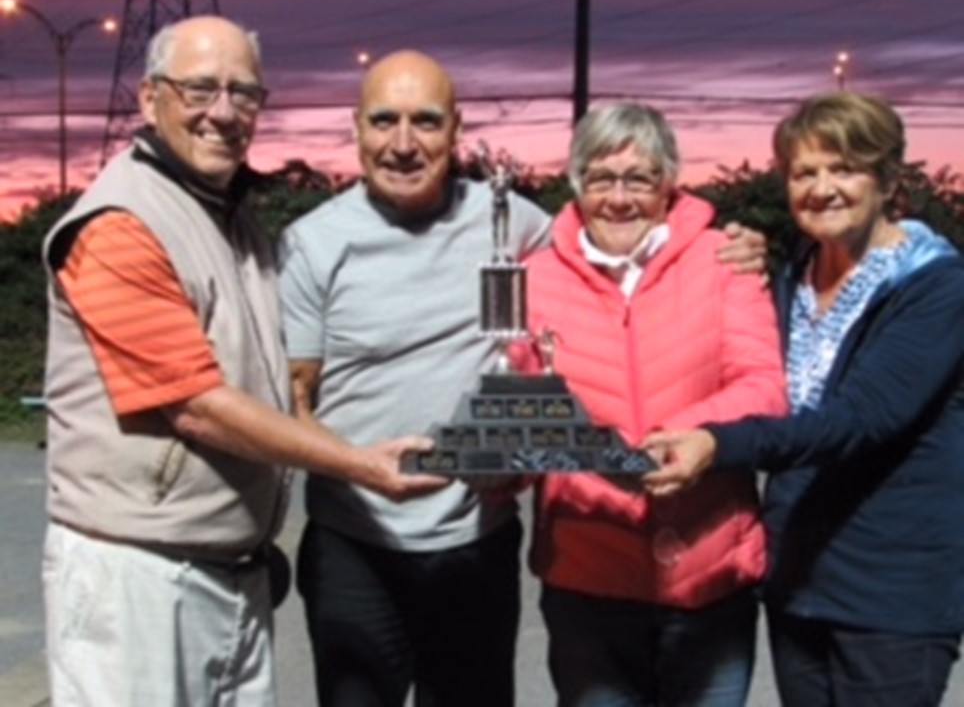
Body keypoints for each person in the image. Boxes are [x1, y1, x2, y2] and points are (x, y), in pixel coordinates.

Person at [279, 50, 770, 706]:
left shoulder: (518, 223)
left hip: (476, 540)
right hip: (355, 538)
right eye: (383, 120)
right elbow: (292, 401)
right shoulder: (313, 242)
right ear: (357, 128)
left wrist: (742, 244)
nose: (403, 143)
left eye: (425, 121)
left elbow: (611, 253)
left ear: (456, 128)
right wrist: (360, 467)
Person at [41, 17, 443, 707]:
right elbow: (195, 405)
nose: (222, 112)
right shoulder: (120, 225)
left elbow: (278, 390)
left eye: (243, 93)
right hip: (137, 578)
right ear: (148, 98)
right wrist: (361, 465)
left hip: (230, 573)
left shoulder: (233, 223)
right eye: (199, 88)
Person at [644, 92, 964, 707]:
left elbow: (860, 420)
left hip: (893, 593)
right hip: (799, 581)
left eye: (843, 168)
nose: (822, 188)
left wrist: (718, 443)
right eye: (803, 172)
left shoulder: (934, 285)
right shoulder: (795, 271)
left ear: (888, 179)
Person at [514, 102, 787, 707]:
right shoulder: (532, 278)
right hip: (589, 578)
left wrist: (681, 438)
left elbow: (764, 384)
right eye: (602, 178)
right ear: (578, 184)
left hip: (710, 577)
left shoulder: (724, 261)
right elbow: (522, 404)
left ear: (668, 185)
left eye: (638, 179)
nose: (620, 198)